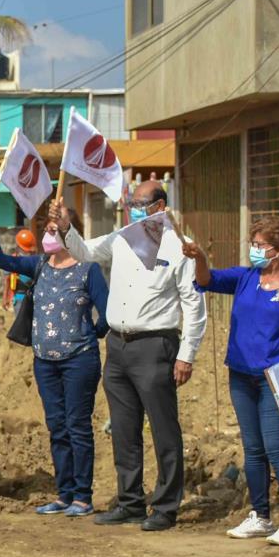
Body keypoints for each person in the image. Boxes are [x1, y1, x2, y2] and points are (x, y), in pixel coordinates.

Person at [51, 180, 207, 531]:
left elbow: (193, 305)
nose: (132, 208)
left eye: (139, 203)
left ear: (159, 206)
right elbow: (85, 252)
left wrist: (186, 355)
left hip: (155, 346)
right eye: (130, 202)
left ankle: (166, 507)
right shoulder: (122, 237)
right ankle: (130, 501)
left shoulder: (178, 246)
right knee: (124, 429)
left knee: (164, 430)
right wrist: (65, 228)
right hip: (118, 345)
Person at [183, 218, 279, 545]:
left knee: (277, 449)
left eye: (260, 245)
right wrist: (200, 257)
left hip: (278, 381)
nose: (254, 250)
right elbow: (207, 279)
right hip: (241, 376)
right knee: (253, 449)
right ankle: (260, 515)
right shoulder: (246, 278)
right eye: (253, 243)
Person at [0, 201, 108, 517]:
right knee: (57, 427)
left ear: (70, 231)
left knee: (77, 425)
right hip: (45, 362)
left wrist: (91, 334)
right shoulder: (39, 265)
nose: (48, 234)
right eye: (47, 229)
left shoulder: (88, 269)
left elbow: (107, 312)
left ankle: (83, 496)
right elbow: (0, 259)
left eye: (55, 228)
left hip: (79, 360)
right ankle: (64, 494)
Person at [7, 228, 37, 310]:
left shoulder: (36, 261)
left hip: (33, 298)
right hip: (19, 298)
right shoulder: (14, 261)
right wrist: (6, 298)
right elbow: (8, 279)